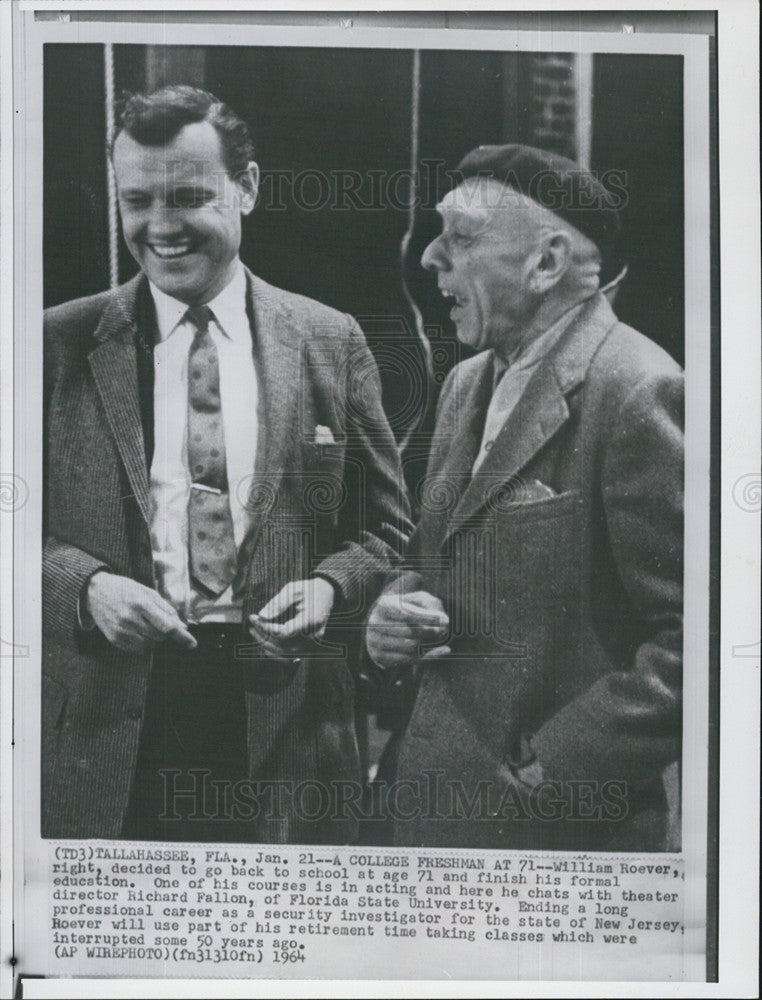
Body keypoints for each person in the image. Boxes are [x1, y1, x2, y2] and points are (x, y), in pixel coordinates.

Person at [42, 85, 412, 842]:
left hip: (290, 728)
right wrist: (85, 588)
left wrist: (327, 587)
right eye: (138, 199)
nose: (161, 227)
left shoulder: (328, 340)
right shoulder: (53, 346)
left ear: (246, 188)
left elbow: (385, 528)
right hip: (103, 736)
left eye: (188, 197)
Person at [366, 144, 683, 851]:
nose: (430, 259)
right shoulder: (465, 383)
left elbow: (705, 637)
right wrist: (393, 612)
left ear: (546, 263)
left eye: (463, 237)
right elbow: (439, 559)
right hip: (424, 815)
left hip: (551, 839)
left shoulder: (638, 388)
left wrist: (553, 768)